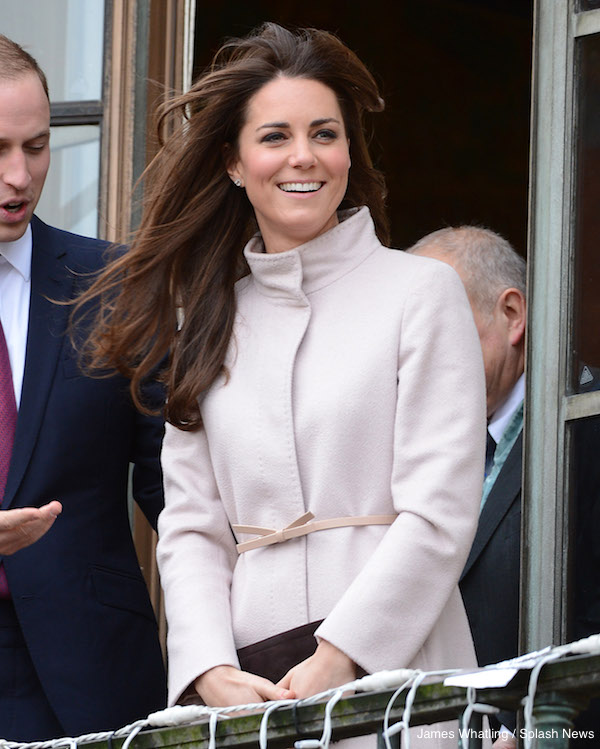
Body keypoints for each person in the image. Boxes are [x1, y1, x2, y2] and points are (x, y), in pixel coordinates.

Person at [78, 23, 486, 747]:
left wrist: (342, 653)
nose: (304, 157)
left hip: (396, 670)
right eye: (275, 137)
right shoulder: (205, 317)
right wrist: (209, 668)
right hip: (250, 697)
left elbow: (440, 513)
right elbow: (191, 524)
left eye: (325, 133)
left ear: (350, 152)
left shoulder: (422, 292)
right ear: (234, 162)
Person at [0, 35, 166, 741]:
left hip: (87, 675)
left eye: (37, 147)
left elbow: (175, 486)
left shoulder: (115, 284)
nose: (19, 176)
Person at [407, 226, 526, 745]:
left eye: (445, 332)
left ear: (512, 315)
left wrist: (546, 733)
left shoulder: (585, 424)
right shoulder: (405, 441)